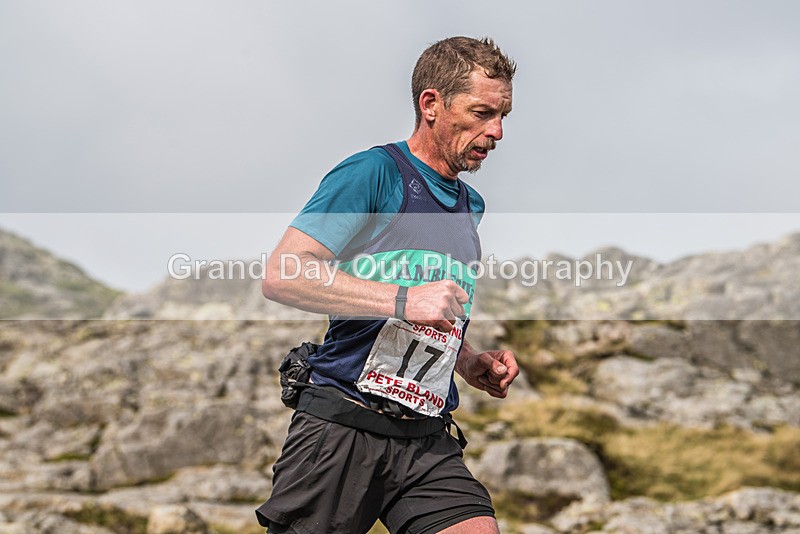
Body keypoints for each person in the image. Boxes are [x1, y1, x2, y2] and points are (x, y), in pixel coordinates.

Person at [256, 36, 520, 534]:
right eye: (483, 112)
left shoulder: (470, 205)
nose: (498, 131)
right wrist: (403, 299)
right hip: (342, 427)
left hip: (426, 439)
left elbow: (429, 308)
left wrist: (467, 361)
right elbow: (283, 272)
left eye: (504, 114)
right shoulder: (375, 172)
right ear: (432, 105)